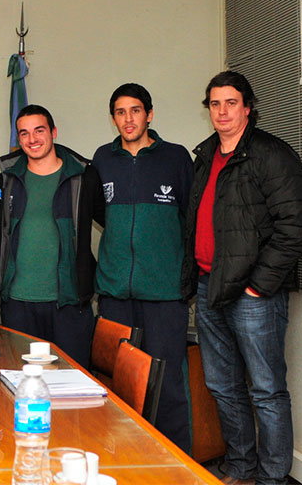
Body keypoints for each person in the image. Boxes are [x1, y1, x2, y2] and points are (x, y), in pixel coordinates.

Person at [182, 71, 302, 485]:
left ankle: (272, 478)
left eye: (231, 103)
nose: (222, 111)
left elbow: (296, 225)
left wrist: (259, 285)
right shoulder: (205, 155)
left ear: (247, 107)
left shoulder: (271, 154)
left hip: (253, 295)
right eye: (215, 104)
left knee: (266, 391)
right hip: (210, 286)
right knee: (222, 386)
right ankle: (241, 469)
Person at [91, 83, 194, 452]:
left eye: (135, 110)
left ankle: (177, 463)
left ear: (149, 114)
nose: (128, 119)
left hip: (164, 293)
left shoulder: (176, 158)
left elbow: (192, 219)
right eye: (120, 112)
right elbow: (100, 214)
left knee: (168, 385)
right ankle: (123, 459)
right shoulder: (103, 159)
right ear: (113, 118)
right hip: (115, 293)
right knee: (118, 383)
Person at [0, 104, 103, 367]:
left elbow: (111, 224)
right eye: (24, 133)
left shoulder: (83, 177)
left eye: (39, 130)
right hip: (18, 304)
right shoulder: (7, 179)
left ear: (53, 132)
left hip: (69, 304)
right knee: (22, 381)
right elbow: (1, 228)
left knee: (72, 381)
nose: (32, 139)